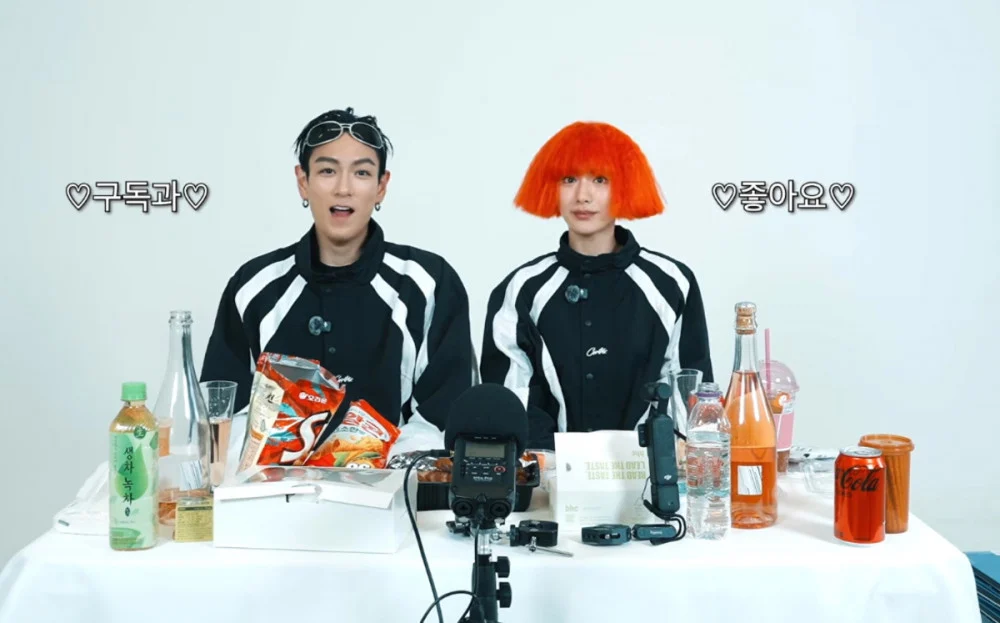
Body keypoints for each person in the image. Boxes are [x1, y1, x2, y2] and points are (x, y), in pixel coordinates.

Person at [201, 107, 476, 450]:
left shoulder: (428, 285)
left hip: (393, 480)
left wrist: (365, 465)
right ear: (303, 181)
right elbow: (223, 415)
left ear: (381, 186)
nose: (344, 188)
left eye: (361, 172)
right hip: (275, 481)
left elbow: (442, 418)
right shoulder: (254, 287)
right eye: (327, 170)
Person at [480, 121, 714, 450]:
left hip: (649, 469)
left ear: (626, 187)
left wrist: (647, 459)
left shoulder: (672, 283)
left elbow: (688, 395)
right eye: (569, 179)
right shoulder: (521, 290)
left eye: (600, 180)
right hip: (549, 471)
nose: (582, 196)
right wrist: (562, 463)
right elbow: (512, 402)